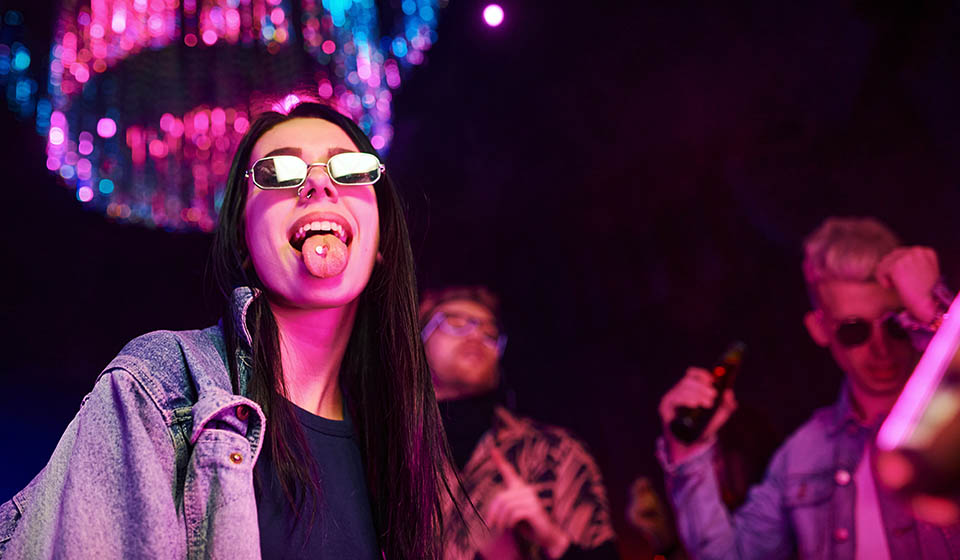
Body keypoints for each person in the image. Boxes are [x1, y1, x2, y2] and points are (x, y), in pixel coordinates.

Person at [0, 102, 455, 559]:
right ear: (244, 240)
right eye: (279, 172)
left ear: (381, 241)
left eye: (350, 168)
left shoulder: (399, 451)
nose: (318, 182)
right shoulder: (163, 384)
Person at [657, 216, 960, 559]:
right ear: (820, 329)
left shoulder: (950, 426)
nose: (881, 349)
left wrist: (938, 313)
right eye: (854, 330)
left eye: (894, 325)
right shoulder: (803, 455)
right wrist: (689, 454)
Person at [420, 286, 619, 559]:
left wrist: (553, 541)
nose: (477, 335)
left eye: (490, 333)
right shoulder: (383, 450)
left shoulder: (555, 453)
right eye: (455, 323)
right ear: (417, 340)